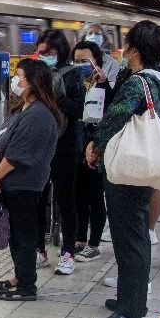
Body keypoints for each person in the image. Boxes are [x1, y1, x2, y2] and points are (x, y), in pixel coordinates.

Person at [86, 20, 160, 318]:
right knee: (132, 236)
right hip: (139, 167)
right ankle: (129, 298)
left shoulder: (138, 83)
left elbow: (114, 118)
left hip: (126, 169)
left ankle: (131, 311)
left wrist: (94, 146)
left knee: (130, 238)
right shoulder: (157, 77)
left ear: (134, 50)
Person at [0, 59, 61, 302]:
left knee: (24, 234)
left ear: (33, 83)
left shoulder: (39, 114)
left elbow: (18, 154)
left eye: (19, 76)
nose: (15, 81)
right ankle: (20, 277)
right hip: (12, 184)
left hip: (23, 185)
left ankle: (27, 286)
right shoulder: (24, 108)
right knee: (16, 234)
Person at [33, 29, 87, 276]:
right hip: (41, 146)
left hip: (66, 147)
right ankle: (39, 250)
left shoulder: (73, 74)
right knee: (37, 200)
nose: (44, 56)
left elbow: (80, 109)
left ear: (60, 51)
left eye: (49, 52)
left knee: (67, 201)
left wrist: (52, 98)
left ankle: (67, 253)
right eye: (41, 52)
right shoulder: (35, 74)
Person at [72, 40, 113, 263]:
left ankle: (94, 243)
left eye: (85, 61)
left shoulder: (106, 87)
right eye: (76, 61)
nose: (80, 66)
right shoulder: (76, 83)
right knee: (79, 196)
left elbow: (108, 115)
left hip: (96, 147)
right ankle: (80, 239)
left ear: (97, 62)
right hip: (77, 146)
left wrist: (95, 144)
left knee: (95, 197)